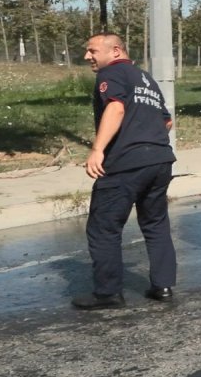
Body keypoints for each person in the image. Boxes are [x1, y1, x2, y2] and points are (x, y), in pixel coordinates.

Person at [71, 32, 178, 310]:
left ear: (115, 51)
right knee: (155, 223)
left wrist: (98, 149)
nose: (87, 56)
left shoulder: (112, 73)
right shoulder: (146, 80)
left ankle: (107, 294)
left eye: (92, 50)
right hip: (160, 161)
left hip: (126, 164)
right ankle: (163, 286)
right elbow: (167, 123)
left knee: (103, 227)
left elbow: (116, 108)